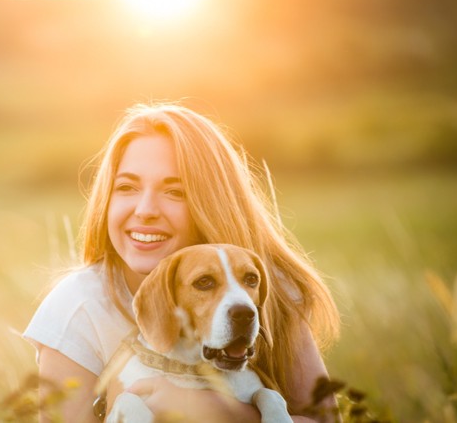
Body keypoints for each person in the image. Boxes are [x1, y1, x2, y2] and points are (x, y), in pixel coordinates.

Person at [23, 102, 341, 422]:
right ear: (106, 198)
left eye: (175, 191)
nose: (145, 209)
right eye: (127, 187)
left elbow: (326, 420)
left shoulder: (266, 284)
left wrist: (215, 412)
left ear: (212, 203)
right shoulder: (77, 307)